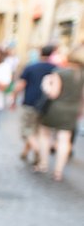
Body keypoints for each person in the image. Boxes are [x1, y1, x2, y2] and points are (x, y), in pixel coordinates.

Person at [35, 45, 84, 181]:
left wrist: (46, 84)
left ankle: (43, 164)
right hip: (73, 109)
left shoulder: (60, 72)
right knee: (65, 139)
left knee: (45, 134)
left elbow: (53, 94)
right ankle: (58, 171)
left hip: (56, 108)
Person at [11, 44, 57, 163]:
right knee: (37, 131)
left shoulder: (31, 67)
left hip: (30, 103)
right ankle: (26, 152)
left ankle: (37, 150)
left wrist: (13, 99)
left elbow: (21, 85)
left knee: (26, 130)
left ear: (40, 53)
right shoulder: (57, 69)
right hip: (48, 106)